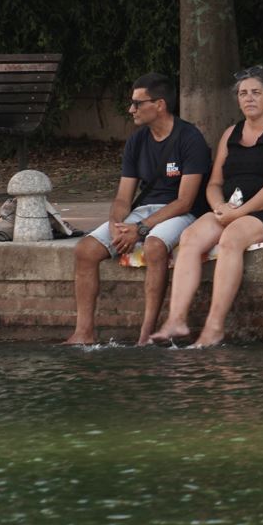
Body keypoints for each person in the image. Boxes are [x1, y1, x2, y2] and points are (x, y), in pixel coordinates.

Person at [151, 66, 263, 348]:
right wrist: (219, 206)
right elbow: (214, 182)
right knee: (190, 237)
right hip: (231, 207)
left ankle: (214, 328)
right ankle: (176, 320)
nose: (249, 98)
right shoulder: (231, 133)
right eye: (243, 93)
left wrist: (237, 214)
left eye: (256, 92)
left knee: (231, 238)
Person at [64, 73, 212, 346]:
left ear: (159, 105)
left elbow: (185, 201)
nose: (131, 109)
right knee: (85, 250)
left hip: (180, 213)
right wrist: (115, 224)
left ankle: (146, 336)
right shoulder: (137, 140)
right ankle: (83, 332)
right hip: (143, 210)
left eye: (137, 103)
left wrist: (141, 229)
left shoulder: (190, 138)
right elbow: (123, 197)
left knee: (155, 245)